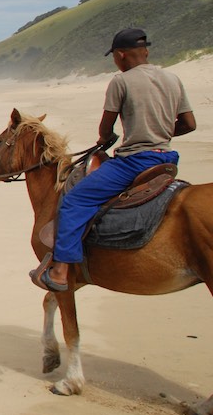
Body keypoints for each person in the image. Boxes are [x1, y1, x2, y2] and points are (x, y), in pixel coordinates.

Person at [30, 28, 196, 292]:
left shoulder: (122, 81)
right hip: (167, 157)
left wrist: (109, 137)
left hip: (135, 161)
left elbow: (106, 130)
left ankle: (61, 271)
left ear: (120, 55)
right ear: (146, 51)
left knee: (75, 200)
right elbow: (189, 124)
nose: (115, 62)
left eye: (114, 58)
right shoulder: (172, 78)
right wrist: (160, 131)